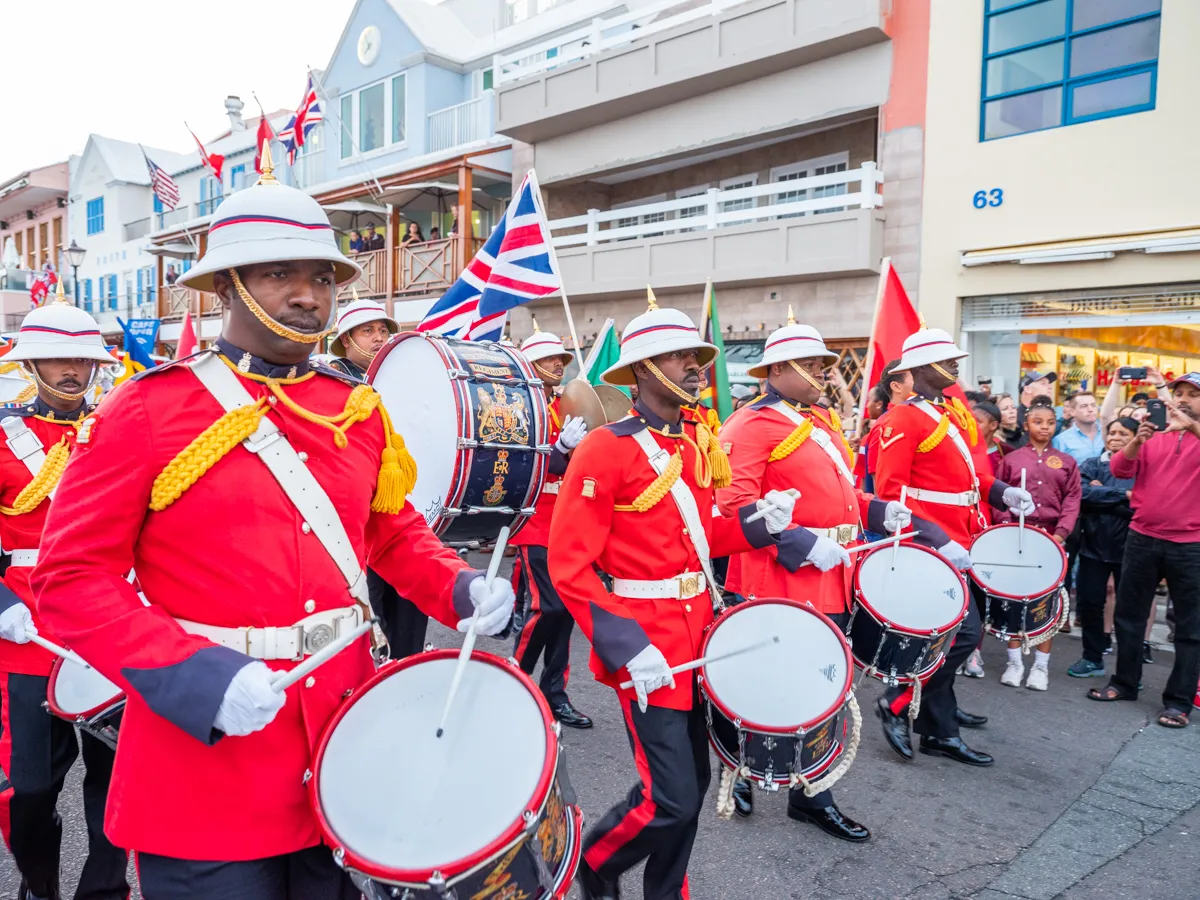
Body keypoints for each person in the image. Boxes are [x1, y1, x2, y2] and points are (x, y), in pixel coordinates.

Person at [29, 152, 515, 899]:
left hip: (342, 744)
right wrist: (193, 674)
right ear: (226, 285)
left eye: (320, 277)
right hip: (208, 755)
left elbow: (386, 533)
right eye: (277, 273)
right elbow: (70, 582)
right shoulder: (147, 411)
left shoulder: (355, 409)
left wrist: (458, 586)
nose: (306, 295)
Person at [550, 293, 794, 900]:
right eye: (680, 356)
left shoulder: (692, 445)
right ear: (643, 369)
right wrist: (626, 643)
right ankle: (597, 861)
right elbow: (570, 565)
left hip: (700, 635)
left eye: (695, 355)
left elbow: (704, 535)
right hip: (648, 642)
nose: (695, 366)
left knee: (689, 784)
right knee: (671, 796)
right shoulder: (605, 448)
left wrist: (762, 522)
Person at [717, 316, 923, 841]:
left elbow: (843, 493)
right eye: (810, 366)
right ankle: (736, 765)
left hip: (833, 571)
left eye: (821, 365)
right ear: (779, 369)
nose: (822, 374)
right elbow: (733, 507)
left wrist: (878, 513)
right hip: (774, 576)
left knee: (821, 683)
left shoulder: (819, 422)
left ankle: (811, 792)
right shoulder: (749, 424)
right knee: (760, 683)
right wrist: (803, 543)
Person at [0, 284, 129, 900]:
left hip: (108, 631)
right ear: (31, 364)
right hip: (26, 637)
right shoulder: (4, 438)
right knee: (28, 789)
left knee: (116, 783)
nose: (74, 370)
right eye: (59, 359)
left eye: (84, 360)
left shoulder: (120, 432)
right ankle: (39, 887)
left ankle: (101, 893)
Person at [873, 329, 1034, 766]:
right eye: (947, 361)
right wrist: (934, 540)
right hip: (931, 545)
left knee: (954, 635)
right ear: (919, 370)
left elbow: (971, 479)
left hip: (964, 537)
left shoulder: (951, 412)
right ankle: (898, 698)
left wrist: (1003, 493)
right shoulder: (901, 420)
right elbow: (891, 498)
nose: (957, 366)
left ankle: (940, 727)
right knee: (961, 635)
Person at [327, 298, 438, 664]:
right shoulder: (330, 383)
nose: (379, 338)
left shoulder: (401, 382)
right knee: (369, 629)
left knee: (409, 620)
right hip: (357, 528)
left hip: (400, 516)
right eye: (368, 331)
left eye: (383, 330)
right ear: (346, 339)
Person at [1088, 373, 1200, 729]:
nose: (1183, 399)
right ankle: (1124, 682)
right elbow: (1121, 468)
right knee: (1129, 617)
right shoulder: (1152, 431)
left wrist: (1192, 427)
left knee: (1190, 627)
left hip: (1190, 544)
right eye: (1178, 393)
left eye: (1192, 395)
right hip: (1142, 537)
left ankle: (1179, 702)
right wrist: (1137, 440)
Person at [511, 324, 592, 729]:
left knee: (567, 612)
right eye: (549, 359)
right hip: (537, 520)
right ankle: (515, 681)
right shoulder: (517, 406)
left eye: (560, 359)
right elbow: (521, 465)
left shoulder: (568, 405)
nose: (558, 365)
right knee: (548, 607)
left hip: (569, 520)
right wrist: (559, 450)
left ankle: (554, 694)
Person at [992, 404, 1081, 691]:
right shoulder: (1013, 459)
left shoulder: (1066, 461)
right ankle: (1014, 662)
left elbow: (1072, 499)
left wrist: (1062, 532)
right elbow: (1000, 495)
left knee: (1047, 602)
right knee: (1015, 600)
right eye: (1037, 421)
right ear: (1026, 424)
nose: (1044, 427)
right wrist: (1006, 527)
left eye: (1050, 422)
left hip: (1051, 538)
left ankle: (1040, 666)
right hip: (1018, 536)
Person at [1068, 417, 1138, 678]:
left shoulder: (1143, 467)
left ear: (1135, 437)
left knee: (1129, 610)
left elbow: (1141, 504)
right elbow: (1082, 495)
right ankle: (1092, 658)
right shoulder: (1092, 464)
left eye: (1123, 433)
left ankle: (1130, 670)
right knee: (1090, 603)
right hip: (1093, 546)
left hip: (1131, 548)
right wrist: (1122, 495)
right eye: (1112, 433)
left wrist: (1103, 494)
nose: (1116, 438)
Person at [973, 400, 1014, 470]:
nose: (972, 424)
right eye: (970, 420)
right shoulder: (963, 448)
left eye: (978, 421)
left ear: (993, 425)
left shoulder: (1006, 451)